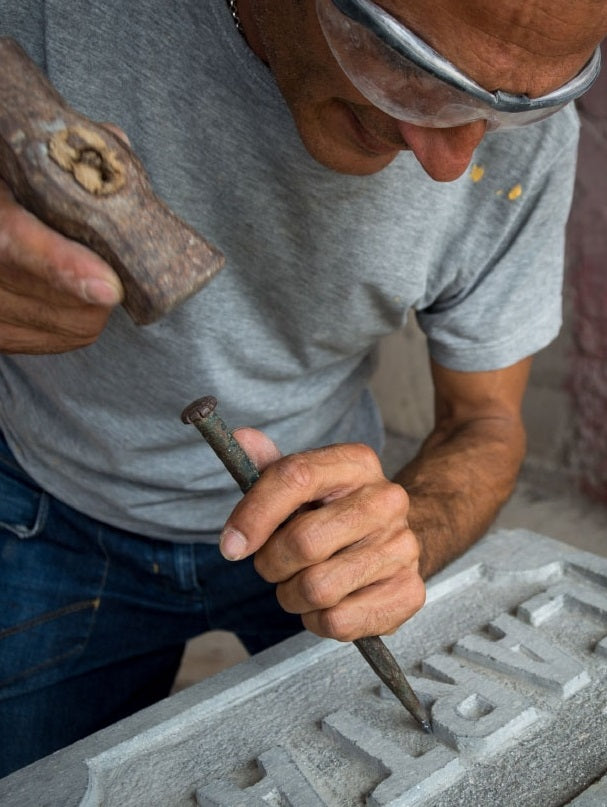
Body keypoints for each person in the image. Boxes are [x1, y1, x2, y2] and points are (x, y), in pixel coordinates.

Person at [0, 0, 604, 777]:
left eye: (511, 106)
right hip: (50, 509)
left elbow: (483, 421)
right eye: (411, 68)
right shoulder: (48, 21)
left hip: (322, 520)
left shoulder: (524, 144)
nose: (450, 161)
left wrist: (403, 535)